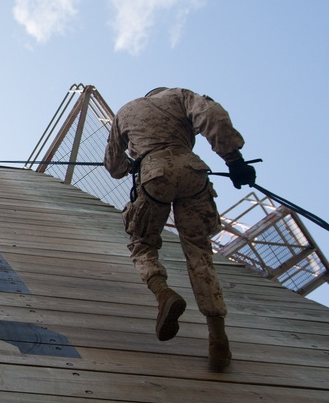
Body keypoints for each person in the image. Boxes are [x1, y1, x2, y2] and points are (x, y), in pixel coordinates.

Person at [104, 87, 256, 372]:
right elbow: (211, 114)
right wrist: (234, 161)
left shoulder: (124, 112)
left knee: (142, 244)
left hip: (153, 174)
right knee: (199, 252)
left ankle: (163, 293)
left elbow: (113, 165)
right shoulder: (180, 96)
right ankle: (218, 340)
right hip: (193, 172)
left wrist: (133, 165)